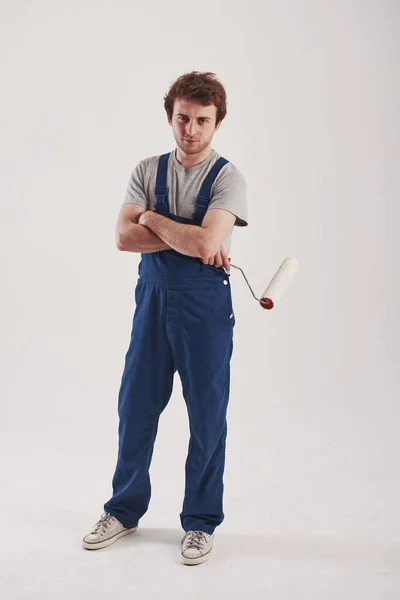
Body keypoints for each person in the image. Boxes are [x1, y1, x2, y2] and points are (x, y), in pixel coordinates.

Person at [82, 71, 248, 565]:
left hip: (204, 308)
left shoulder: (227, 179)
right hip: (152, 300)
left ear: (217, 123)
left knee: (206, 415)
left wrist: (150, 218)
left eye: (202, 120)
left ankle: (200, 523)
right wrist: (188, 236)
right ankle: (124, 510)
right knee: (135, 406)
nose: (190, 129)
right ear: (169, 117)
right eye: (182, 118)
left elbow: (205, 245)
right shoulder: (145, 169)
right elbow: (122, 238)